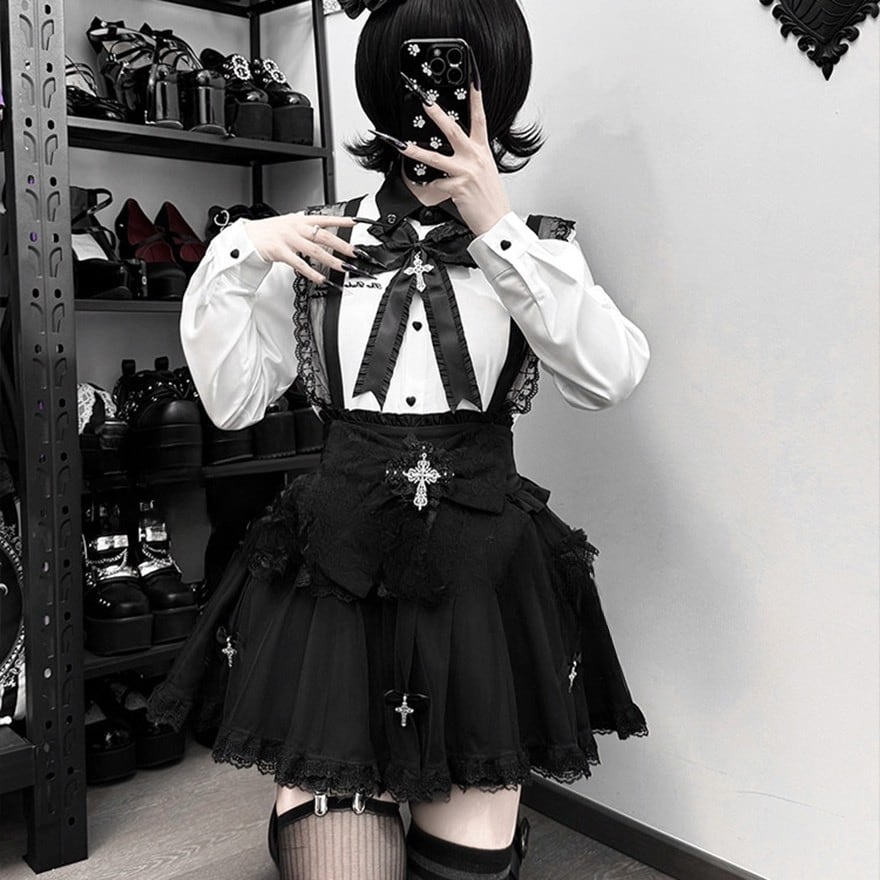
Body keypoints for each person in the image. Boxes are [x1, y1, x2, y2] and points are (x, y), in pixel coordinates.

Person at [147, 0, 651, 877]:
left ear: (501, 88)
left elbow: (608, 378)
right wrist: (241, 250)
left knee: (466, 865)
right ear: (385, 85)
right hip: (337, 578)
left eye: (466, 75)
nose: (440, 100)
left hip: (479, 582)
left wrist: (497, 227)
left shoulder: (535, 248)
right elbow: (233, 404)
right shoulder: (315, 238)